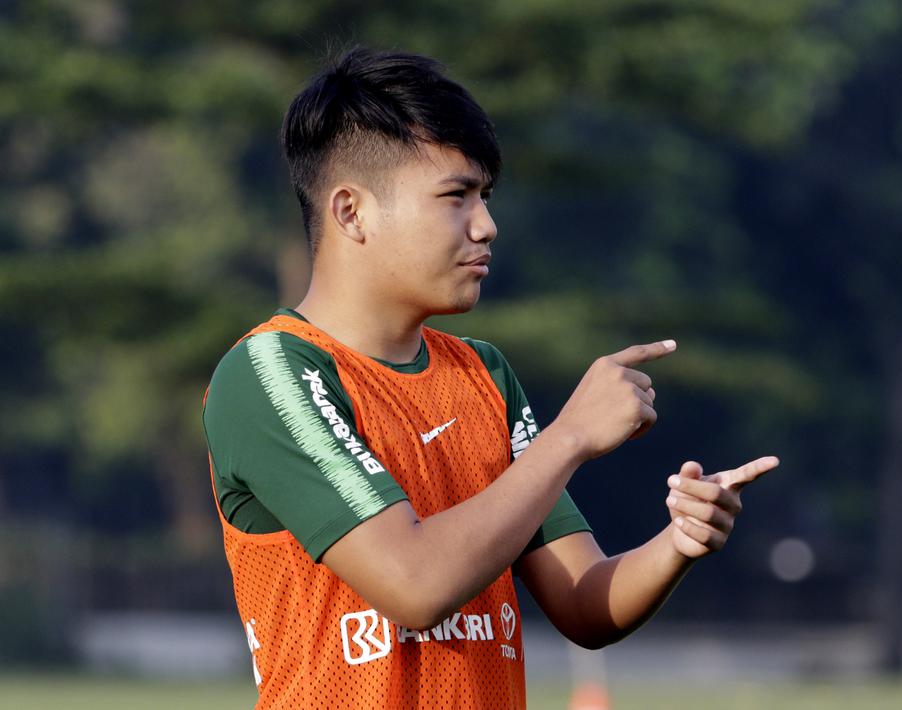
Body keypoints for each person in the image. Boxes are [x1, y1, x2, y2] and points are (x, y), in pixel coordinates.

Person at [203, 46, 778, 709]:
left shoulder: (484, 375)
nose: (486, 225)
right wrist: (568, 439)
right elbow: (412, 585)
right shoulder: (272, 371)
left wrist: (678, 541)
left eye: (485, 195)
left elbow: (582, 601)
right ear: (350, 212)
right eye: (456, 196)